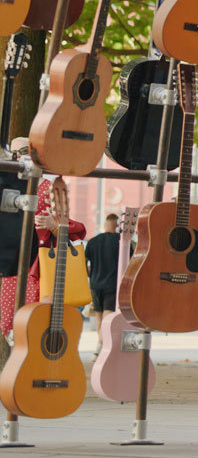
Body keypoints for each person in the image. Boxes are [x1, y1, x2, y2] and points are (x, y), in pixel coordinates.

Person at [0, 139, 86, 349]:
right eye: (17, 152)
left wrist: (54, 225)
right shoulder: (7, 186)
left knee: (37, 320)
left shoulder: (49, 188)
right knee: (9, 323)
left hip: (40, 266)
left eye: (26, 152)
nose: (22, 156)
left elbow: (74, 229)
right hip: (12, 261)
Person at [85, 212, 119, 356]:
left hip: (95, 284)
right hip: (112, 285)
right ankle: (101, 349)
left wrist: (90, 275)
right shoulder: (121, 241)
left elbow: (84, 261)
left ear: (105, 224)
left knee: (99, 318)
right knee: (108, 318)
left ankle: (99, 348)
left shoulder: (93, 241)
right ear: (116, 225)